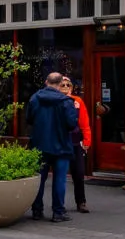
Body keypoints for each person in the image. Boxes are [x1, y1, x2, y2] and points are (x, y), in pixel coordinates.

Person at [26, 71, 80, 222]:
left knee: (39, 179)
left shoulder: (35, 98)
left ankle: (37, 210)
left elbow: (29, 119)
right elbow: (72, 124)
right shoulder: (66, 101)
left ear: (46, 82)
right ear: (60, 84)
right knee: (59, 180)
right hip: (61, 145)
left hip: (40, 145)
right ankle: (58, 212)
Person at [61, 76, 92, 214]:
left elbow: (84, 123)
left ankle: (81, 202)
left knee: (79, 172)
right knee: (60, 175)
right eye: (62, 85)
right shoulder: (55, 101)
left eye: (68, 85)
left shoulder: (77, 101)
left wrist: (87, 140)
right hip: (61, 142)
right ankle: (59, 204)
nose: (65, 87)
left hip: (75, 141)